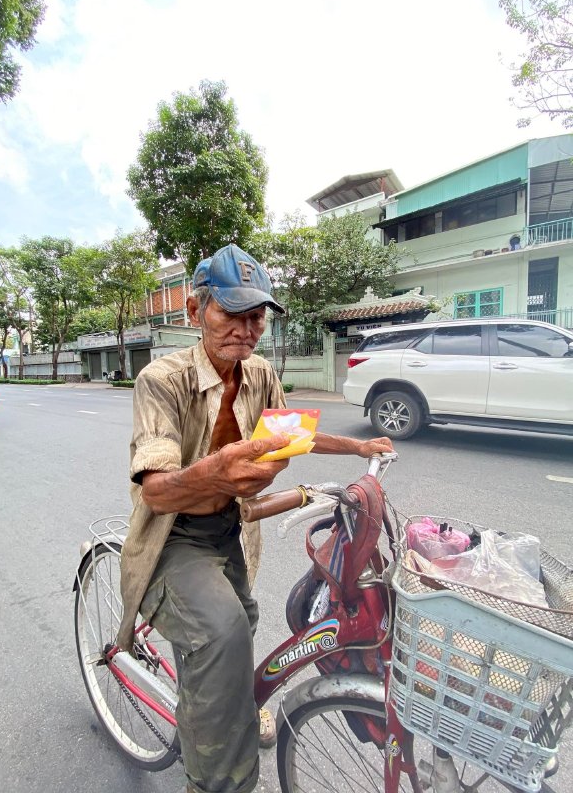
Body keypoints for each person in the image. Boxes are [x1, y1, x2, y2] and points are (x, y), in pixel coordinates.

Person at [118, 244, 392, 793]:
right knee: (221, 632)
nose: (246, 329)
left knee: (242, 623)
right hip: (176, 537)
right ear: (196, 313)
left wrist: (360, 449)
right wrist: (215, 473)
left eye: (256, 316)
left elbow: (293, 435)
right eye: (231, 313)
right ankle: (217, 784)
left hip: (232, 530)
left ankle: (228, 706)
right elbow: (156, 491)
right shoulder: (160, 380)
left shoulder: (261, 373)